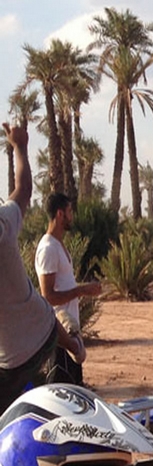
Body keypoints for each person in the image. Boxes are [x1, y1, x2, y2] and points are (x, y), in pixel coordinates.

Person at [0, 123, 82, 412]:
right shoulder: (5, 223)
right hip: (44, 334)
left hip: (12, 360)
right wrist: (20, 146)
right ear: (61, 215)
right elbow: (22, 190)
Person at [35, 192, 102, 385]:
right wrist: (82, 291)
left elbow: (62, 286)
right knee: (62, 395)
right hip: (59, 335)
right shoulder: (48, 249)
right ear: (60, 214)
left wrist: (82, 289)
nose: (72, 216)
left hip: (70, 334)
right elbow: (48, 296)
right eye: (69, 211)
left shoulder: (58, 246)